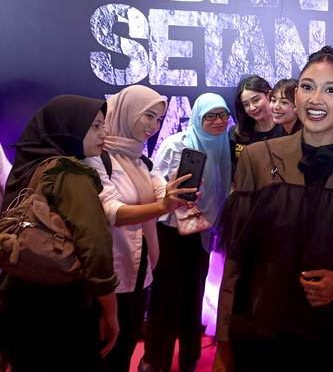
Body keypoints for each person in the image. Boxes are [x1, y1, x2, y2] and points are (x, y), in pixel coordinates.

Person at [212, 45, 333, 371]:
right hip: (260, 333)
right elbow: (236, 259)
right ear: (296, 95)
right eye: (307, 87)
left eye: (330, 90)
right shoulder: (257, 158)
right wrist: (223, 341)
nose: (316, 99)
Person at [0, 95, 119, 371]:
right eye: (95, 126)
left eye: (103, 125)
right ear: (70, 127)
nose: (104, 134)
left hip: (19, 295)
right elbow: (95, 244)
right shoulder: (69, 172)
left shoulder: (31, 165)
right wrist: (111, 310)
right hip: (60, 307)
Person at [83, 85, 196, 372]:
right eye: (148, 116)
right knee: (102, 355)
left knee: (124, 351)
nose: (154, 126)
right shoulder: (96, 159)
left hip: (140, 273)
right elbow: (112, 212)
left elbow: (160, 191)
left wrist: (175, 196)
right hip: (107, 275)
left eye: (159, 119)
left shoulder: (141, 160)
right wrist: (164, 205)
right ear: (127, 112)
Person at [141, 93, 233, 372]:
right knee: (164, 294)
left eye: (223, 115)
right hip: (170, 229)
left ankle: (189, 356)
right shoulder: (176, 144)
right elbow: (156, 183)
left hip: (201, 231)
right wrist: (174, 196)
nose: (218, 121)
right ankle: (155, 359)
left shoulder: (224, 147)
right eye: (210, 116)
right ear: (198, 117)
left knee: (194, 293)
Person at [229, 75, 285, 169]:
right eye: (246, 104)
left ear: (269, 95)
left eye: (256, 100)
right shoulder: (236, 133)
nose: (252, 108)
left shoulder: (287, 130)